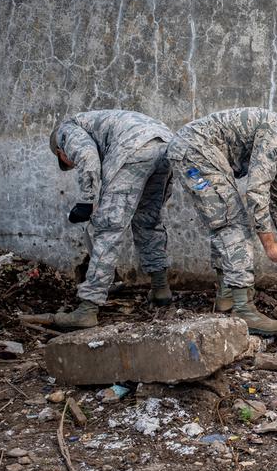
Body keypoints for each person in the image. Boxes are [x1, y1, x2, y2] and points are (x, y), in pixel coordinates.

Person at [166, 103, 277, 336]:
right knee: (232, 223)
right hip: (193, 152)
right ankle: (244, 310)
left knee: (226, 221)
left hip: (198, 152)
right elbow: (256, 191)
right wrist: (270, 245)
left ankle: (227, 297)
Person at [27, 110, 174, 329]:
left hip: (133, 148)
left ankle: (88, 309)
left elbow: (87, 156)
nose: (71, 163)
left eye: (67, 162)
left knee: (107, 229)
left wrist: (87, 201)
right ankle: (161, 289)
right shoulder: (100, 123)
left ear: (60, 151)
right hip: (166, 144)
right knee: (148, 221)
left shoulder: (65, 131)